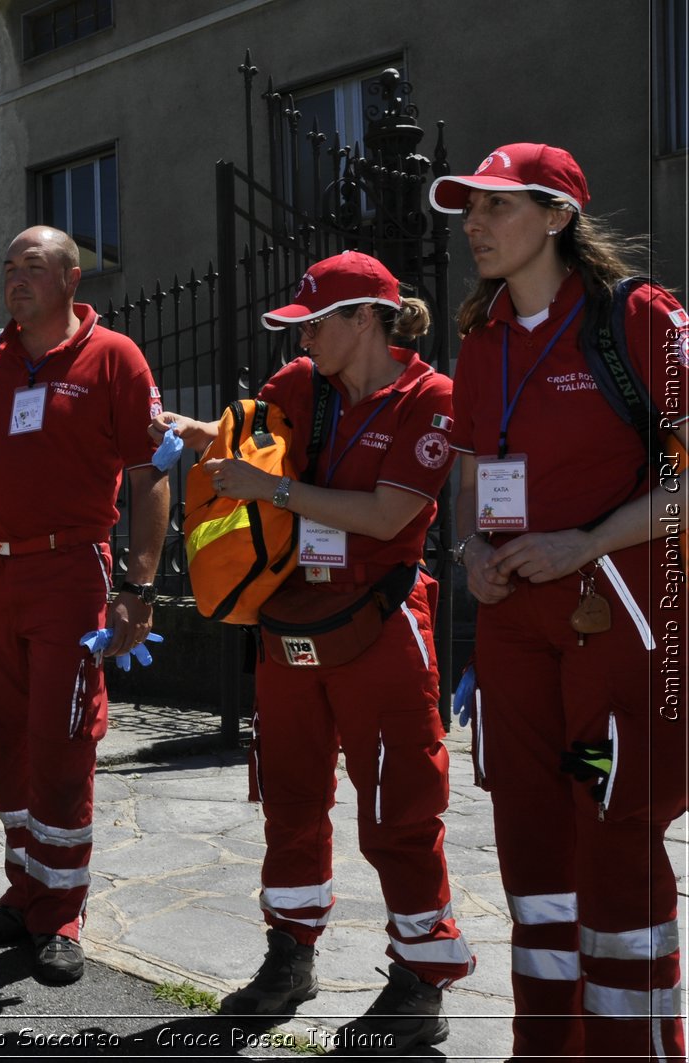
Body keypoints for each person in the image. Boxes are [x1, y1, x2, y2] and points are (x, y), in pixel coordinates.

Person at [157, 251, 475, 1054]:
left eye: (312, 324)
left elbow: (385, 516)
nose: (300, 341)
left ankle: (419, 982)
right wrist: (199, 439)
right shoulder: (299, 386)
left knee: (401, 804)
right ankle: (290, 956)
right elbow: (254, 449)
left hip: (382, 620)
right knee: (291, 794)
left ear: (364, 317)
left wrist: (274, 492)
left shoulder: (432, 398)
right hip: (293, 621)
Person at [430, 143, 687, 1060]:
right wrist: (471, 553)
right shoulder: (480, 334)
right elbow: (466, 484)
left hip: (612, 618)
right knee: (532, 840)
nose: (475, 225)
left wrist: (585, 541)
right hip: (513, 630)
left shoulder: (640, 319)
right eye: (470, 209)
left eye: (497, 208)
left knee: (613, 825)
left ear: (556, 216)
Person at [0, 225, 170, 986]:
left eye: (34, 267)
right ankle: (25, 887)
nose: (16, 279)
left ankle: (60, 910)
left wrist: (141, 585)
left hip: (69, 573)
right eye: (9, 267)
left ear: (71, 280)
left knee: (61, 740)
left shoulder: (114, 357)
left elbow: (152, 471)